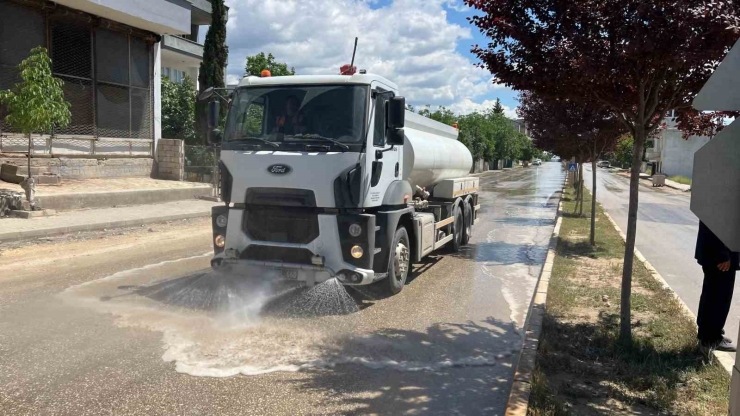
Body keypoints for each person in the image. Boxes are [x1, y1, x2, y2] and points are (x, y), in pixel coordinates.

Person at [695, 221, 740, 352]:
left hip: (717, 250)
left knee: (712, 293)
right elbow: (717, 222)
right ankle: (711, 339)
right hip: (720, 253)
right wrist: (722, 253)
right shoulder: (721, 200)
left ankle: (710, 333)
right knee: (719, 296)